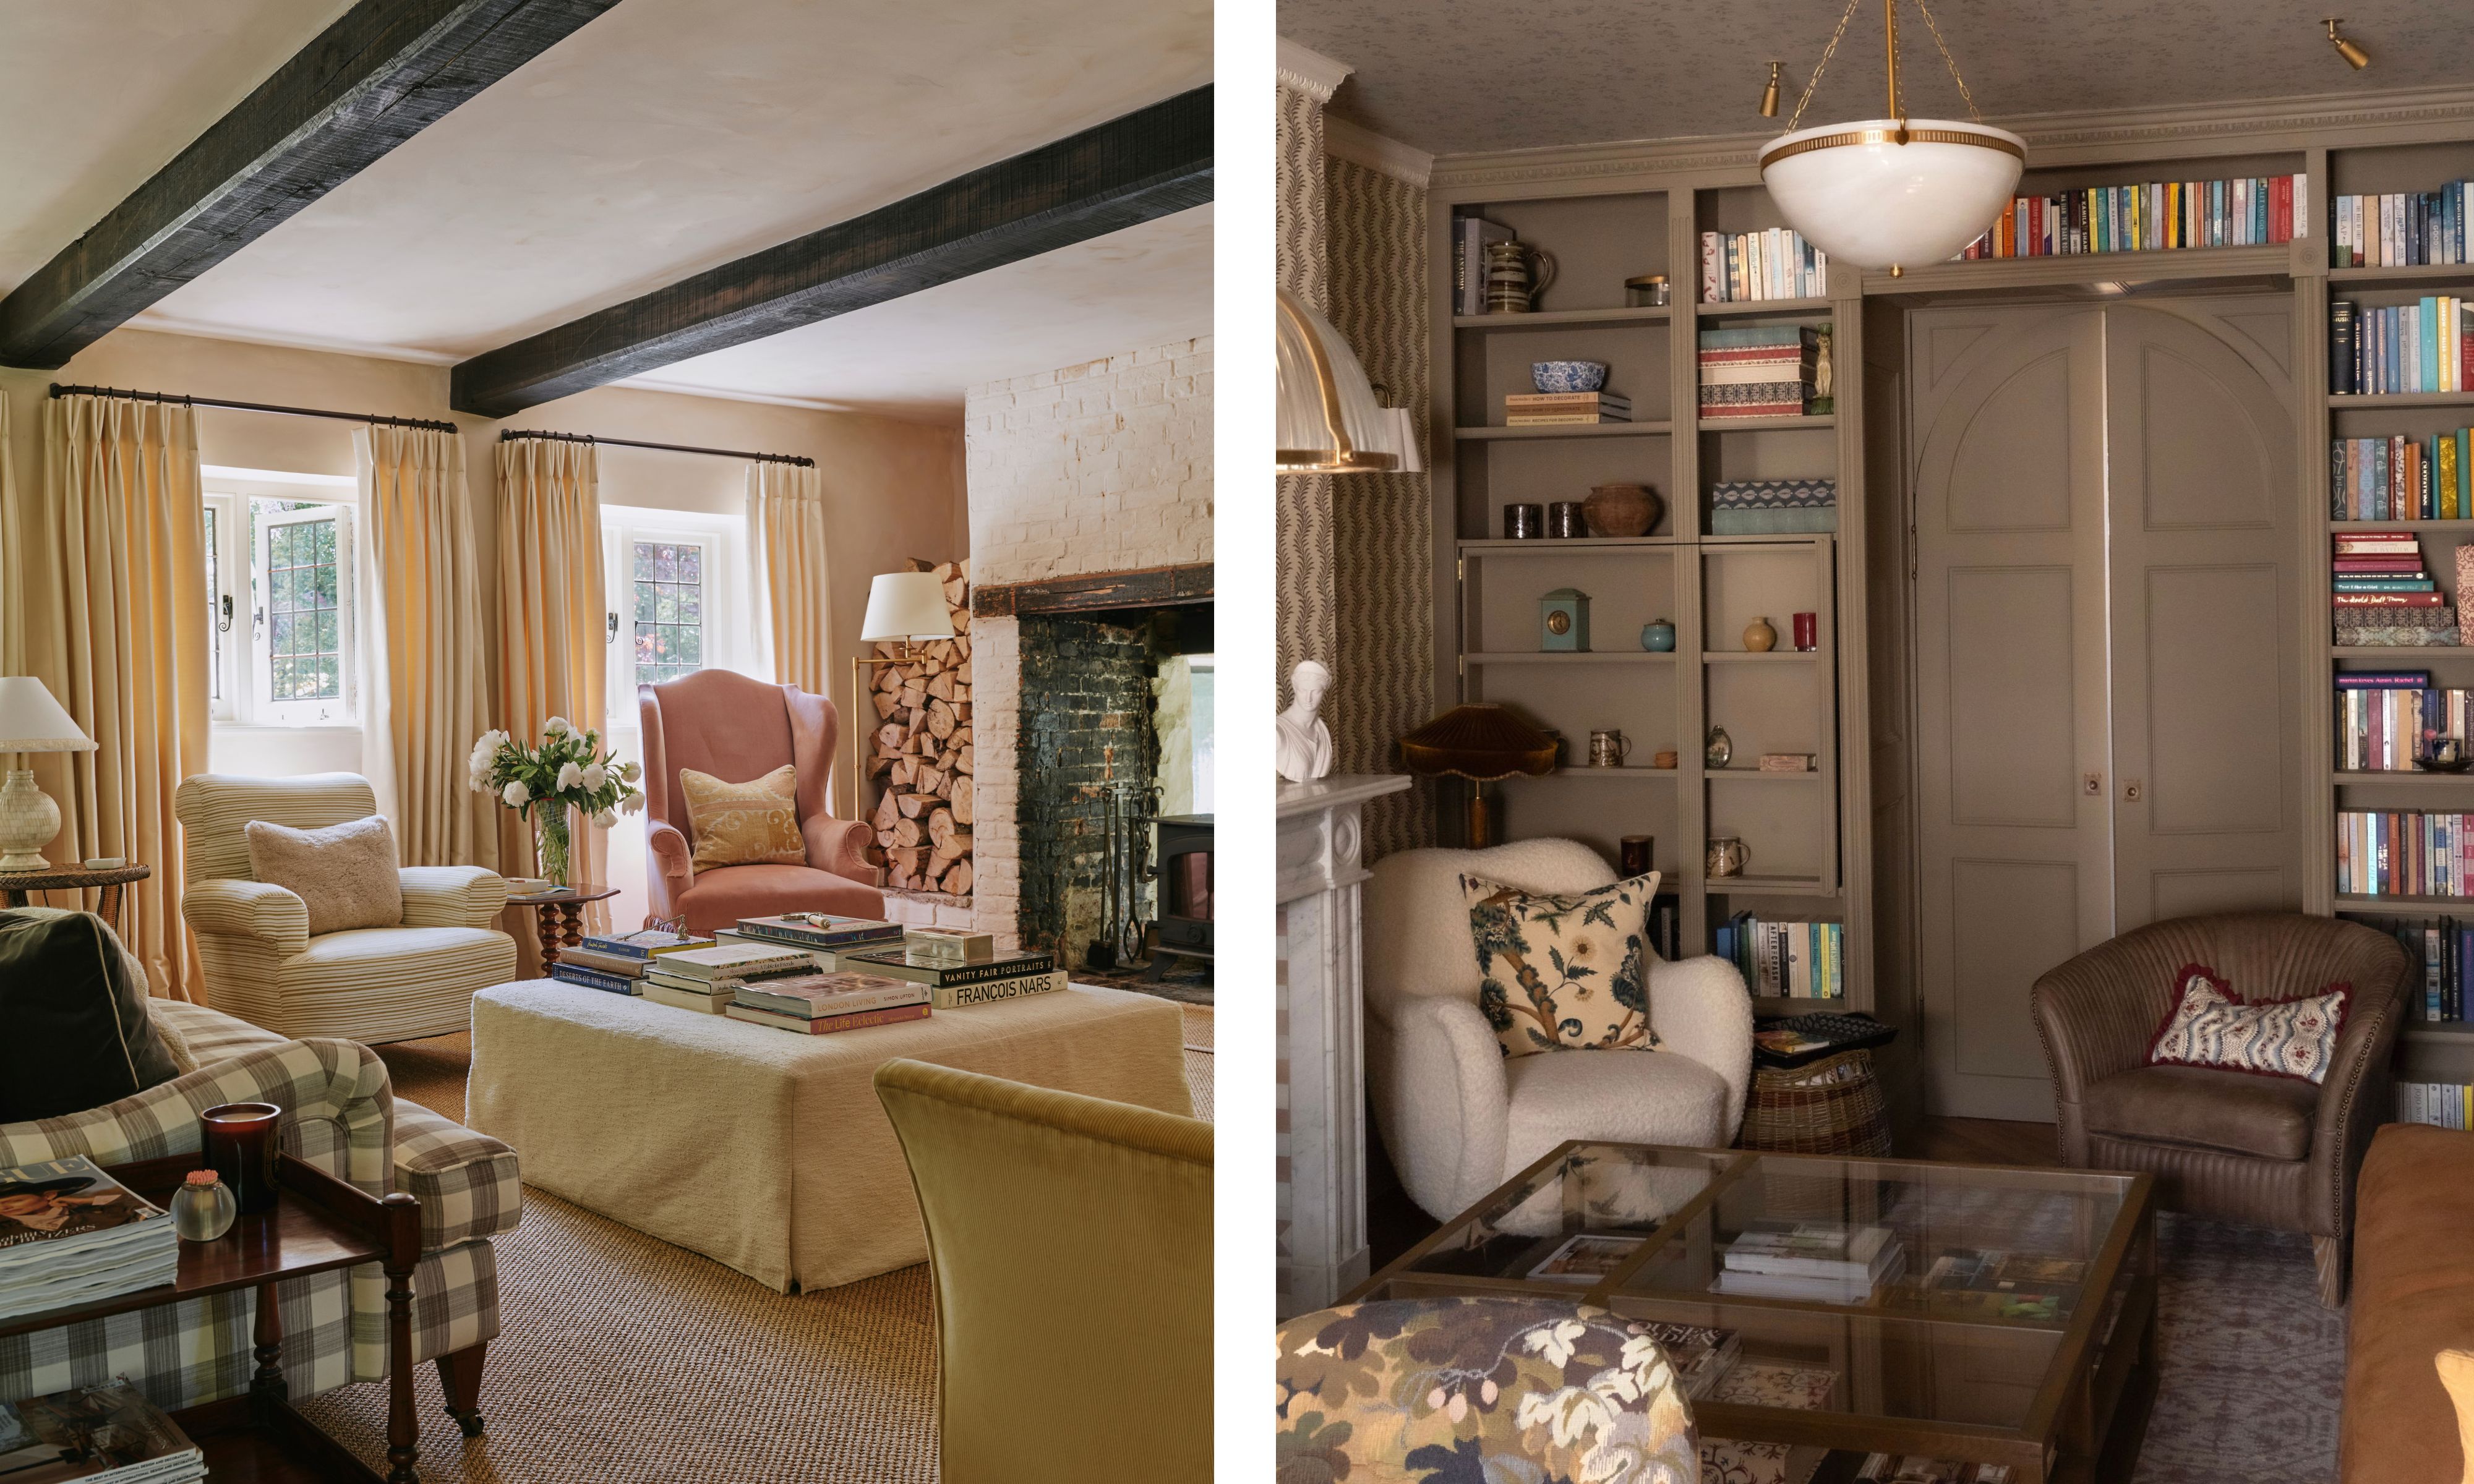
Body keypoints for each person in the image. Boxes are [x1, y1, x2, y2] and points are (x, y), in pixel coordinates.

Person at [1276, 659, 1335, 783]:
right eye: (1303, 691)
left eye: (1315, 691)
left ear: (1324, 691)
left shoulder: (1322, 730)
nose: (1308, 698)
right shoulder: (1278, 732)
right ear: (1295, 688)